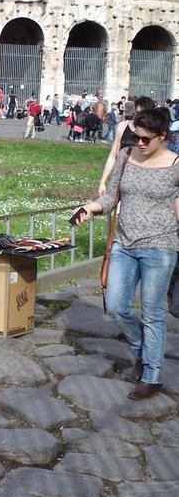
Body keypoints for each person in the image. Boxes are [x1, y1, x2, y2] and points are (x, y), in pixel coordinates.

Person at [72, 108, 179, 400]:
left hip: (161, 246)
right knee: (117, 305)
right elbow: (111, 198)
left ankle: (152, 376)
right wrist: (88, 208)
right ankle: (141, 351)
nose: (140, 143)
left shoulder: (176, 164)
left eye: (146, 138)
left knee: (153, 312)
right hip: (124, 244)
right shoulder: (127, 156)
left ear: (163, 136)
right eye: (136, 136)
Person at [98, 96, 155, 194]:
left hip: (141, 181)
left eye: (143, 114)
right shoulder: (123, 126)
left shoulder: (153, 132)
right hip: (120, 178)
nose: (138, 117)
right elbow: (113, 156)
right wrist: (103, 181)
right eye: (137, 113)